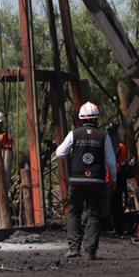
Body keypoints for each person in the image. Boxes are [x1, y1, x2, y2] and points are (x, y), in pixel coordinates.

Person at [55, 101, 115, 260]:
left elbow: (60, 152)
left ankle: (74, 248)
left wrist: (75, 153)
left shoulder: (74, 134)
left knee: (74, 213)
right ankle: (89, 251)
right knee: (94, 214)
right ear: (97, 119)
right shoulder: (103, 136)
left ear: (81, 118)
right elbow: (111, 161)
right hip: (97, 181)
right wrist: (113, 179)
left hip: (76, 180)